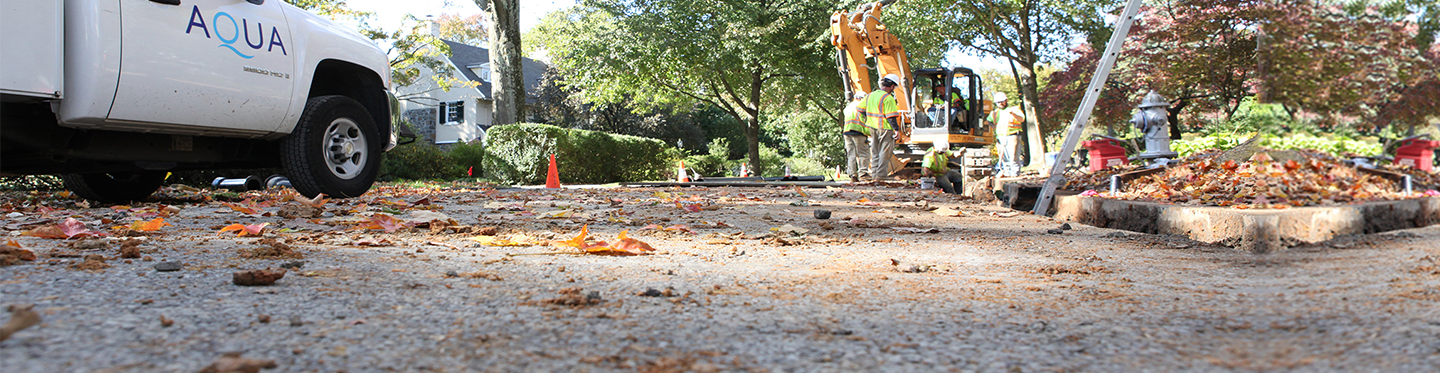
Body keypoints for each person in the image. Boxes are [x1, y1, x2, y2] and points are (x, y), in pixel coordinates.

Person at [865, 74, 901, 180]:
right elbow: (891, 117)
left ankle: (874, 174)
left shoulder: (870, 95)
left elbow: (860, 109)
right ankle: (881, 176)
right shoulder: (888, 98)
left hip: (872, 128)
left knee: (875, 152)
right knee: (885, 152)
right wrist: (897, 130)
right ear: (892, 86)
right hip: (885, 128)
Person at [986, 92, 1024, 177]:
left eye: (1002, 101)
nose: (1000, 104)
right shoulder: (995, 113)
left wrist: (1013, 114)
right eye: (998, 102)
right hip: (1000, 137)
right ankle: (1006, 172)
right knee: (1003, 156)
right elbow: (989, 120)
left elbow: (1021, 119)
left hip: (1012, 135)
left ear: (1006, 101)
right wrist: (994, 127)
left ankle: (1014, 174)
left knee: (1013, 156)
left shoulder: (1014, 109)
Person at [841, 92, 871, 182]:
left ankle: (852, 174)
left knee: (851, 154)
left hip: (847, 132)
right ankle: (863, 174)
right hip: (858, 131)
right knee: (863, 153)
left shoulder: (848, 107)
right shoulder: (862, 106)